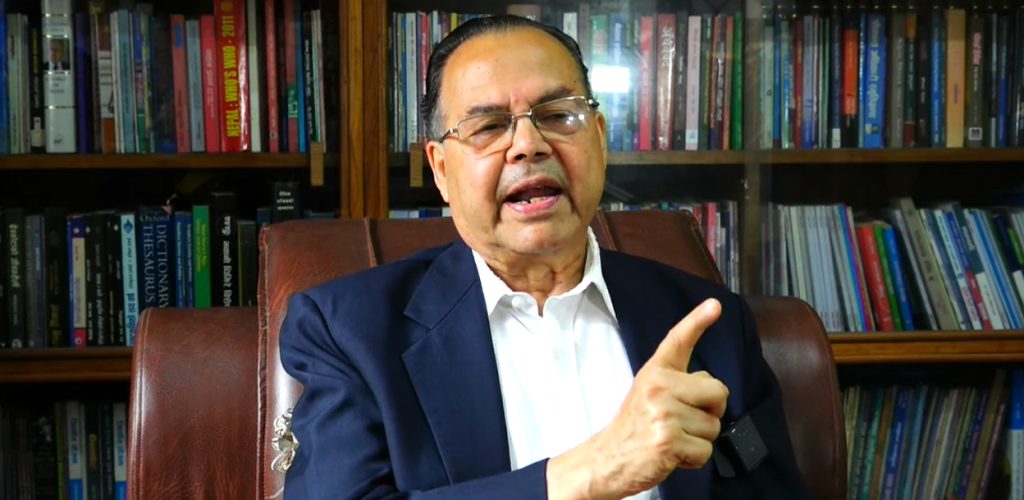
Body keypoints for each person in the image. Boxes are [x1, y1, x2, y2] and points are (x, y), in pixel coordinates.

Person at [279, 14, 808, 499]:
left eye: (557, 115)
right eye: (489, 127)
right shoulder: (348, 332)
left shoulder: (709, 322)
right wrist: (586, 472)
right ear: (440, 169)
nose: (528, 145)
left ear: (598, 139)